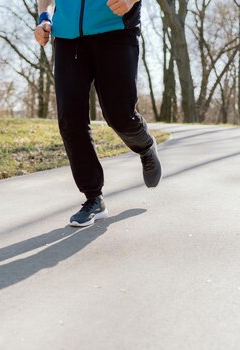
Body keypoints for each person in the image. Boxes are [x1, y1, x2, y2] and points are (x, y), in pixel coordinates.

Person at [34, 0, 162, 227]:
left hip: (115, 29)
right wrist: (44, 16)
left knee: (119, 114)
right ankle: (93, 197)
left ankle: (145, 146)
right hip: (67, 37)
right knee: (70, 118)